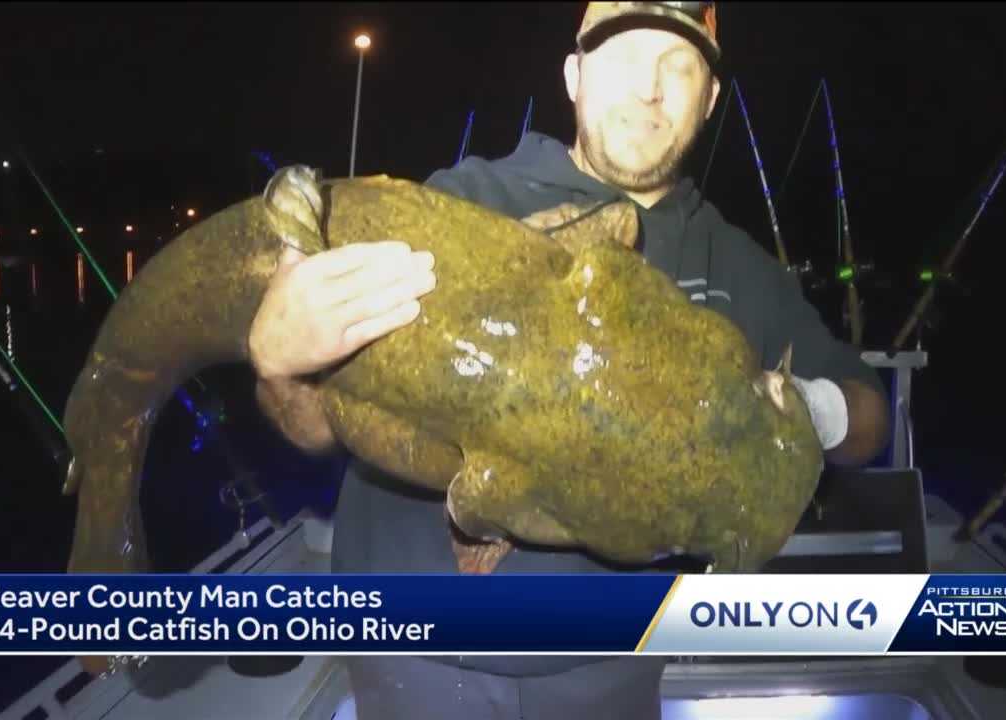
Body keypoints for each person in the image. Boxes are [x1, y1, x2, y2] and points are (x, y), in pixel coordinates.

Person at [248, 2, 892, 718]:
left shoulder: (736, 265)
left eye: (678, 67)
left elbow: (869, 418)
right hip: (414, 651)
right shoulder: (460, 202)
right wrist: (283, 366)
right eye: (622, 58)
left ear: (710, 100)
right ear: (574, 75)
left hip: (610, 662)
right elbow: (319, 429)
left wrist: (812, 409)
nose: (649, 87)